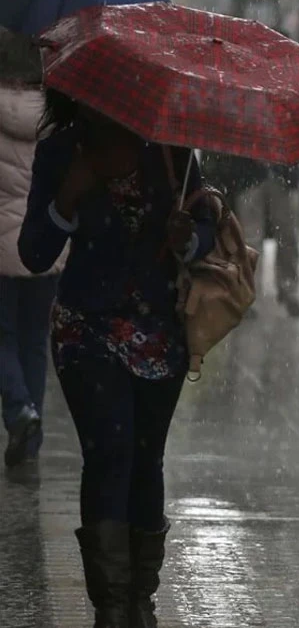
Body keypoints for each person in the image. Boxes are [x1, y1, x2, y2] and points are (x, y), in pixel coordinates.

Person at [19, 89, 217, 628]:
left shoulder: (170, 152)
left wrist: (189, 239)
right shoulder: (62, 152)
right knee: (110, 452)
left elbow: (207, 225)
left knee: (146, 460)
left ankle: (140, 602)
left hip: (159, 332)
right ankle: (111, 606)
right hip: (86, 330)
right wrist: (67, 201)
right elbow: (33, 253)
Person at [0, 76, 63, 468]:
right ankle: (31, 432)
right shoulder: (56, 115)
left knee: (2, 333)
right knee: (35, 339)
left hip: (0, 248)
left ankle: (20, 410)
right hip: (42, 244)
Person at [204, 151, 299, 318]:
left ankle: (288, 290)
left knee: (287, 236)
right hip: (249, 178)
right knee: (251, 240)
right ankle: (251, 296)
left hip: (280, 176)